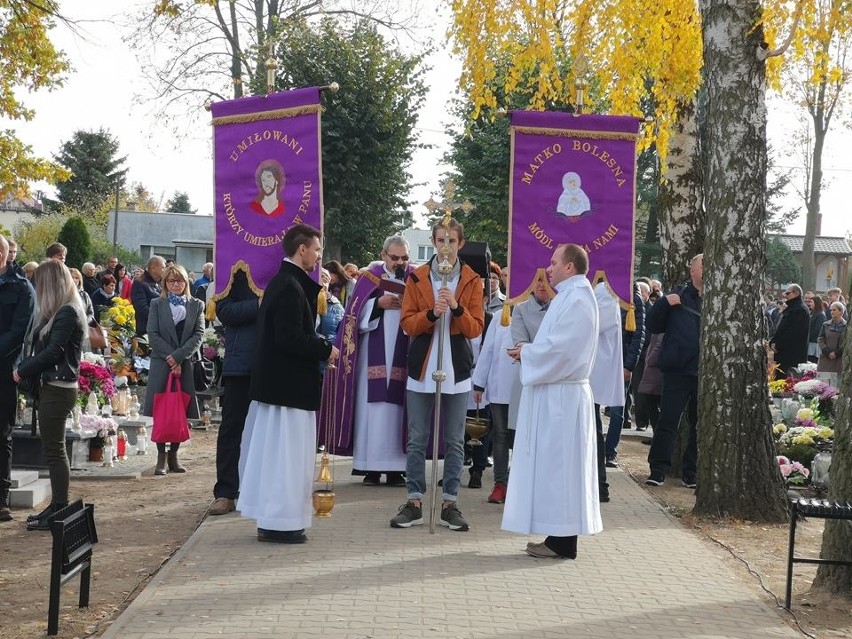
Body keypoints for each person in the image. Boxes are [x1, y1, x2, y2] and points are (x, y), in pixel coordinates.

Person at [239, 223, 339, 544]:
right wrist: (326, 347)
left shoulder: (287, 284)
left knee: (280, 459)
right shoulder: (288, 287)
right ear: (302, 250)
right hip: (287, 391)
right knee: (286, 460)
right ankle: (281, 522)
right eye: (317, 250)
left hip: (283, 388)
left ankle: (274, 519)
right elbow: (290, 338)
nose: (319, 256)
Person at [503, 243, 602, 559]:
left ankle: (563, 540)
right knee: (556, 468)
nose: (549, 267)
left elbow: (562, 351)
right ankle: (558, 536)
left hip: (563, 399)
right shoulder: (572, 296)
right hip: (557, 393)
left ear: (570, 266)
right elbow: (555, 345)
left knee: (561, 468)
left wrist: (527, 353)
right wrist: (530, 353)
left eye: (554, 262)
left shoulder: (577, 300)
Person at [389, 218, 484, 532]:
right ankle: (415, 500)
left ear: (461, 244)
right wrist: (432, 313)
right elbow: (408, 324)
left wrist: (456, 307)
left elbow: (475, 328)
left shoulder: (472, 279)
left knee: (455, 440)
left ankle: (450, 503)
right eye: (440, 240)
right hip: (423, 364)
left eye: (452, 241)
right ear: (433, 241)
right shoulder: (418, 278)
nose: (445, 247)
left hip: (456, 366)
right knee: (417, 438)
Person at [320, 236, 413, 487]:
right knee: (371, 408)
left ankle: (397, 469)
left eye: (404, 257)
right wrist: (377, 304)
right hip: (372, 351)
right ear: (383, 255)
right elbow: (352, 316)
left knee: (398, 410)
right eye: (395, 258)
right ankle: (369, 467)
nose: (400, 262)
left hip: (404, 352)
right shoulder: (369, 277)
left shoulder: (416, 278)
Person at [13, 260, 85, 530]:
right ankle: (57, 505)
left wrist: (22, 371)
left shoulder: (66, 312)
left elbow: (54, 352)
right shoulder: (61, 311)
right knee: (53, 449)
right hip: (54, 386)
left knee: (54, 450)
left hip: (58, 387)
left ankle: (60, 506)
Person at [645, 254, 703, 488]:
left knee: (699, 424)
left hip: (703, 372)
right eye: (703, 266)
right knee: (668, 421)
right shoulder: (677, 295)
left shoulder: (720, 298)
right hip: (678, 369)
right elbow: (653, 325)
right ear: (692, 271)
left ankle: (692, 472)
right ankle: (658, 469)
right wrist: (663, 304)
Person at [143, 264, 205, 475]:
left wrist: (179, 357)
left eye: (179, 281)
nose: (175, 284)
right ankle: (161, 456)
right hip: (161, 363)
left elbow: (199, 334)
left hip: (185, 363)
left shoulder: (197, 305)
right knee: (162, 409)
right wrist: (171, 358)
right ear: (165, 284)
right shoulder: (156, 304)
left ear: (186, 283)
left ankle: (174, 457)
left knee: (181, 408)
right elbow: (152, 334)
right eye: (171, 281)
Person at [208, 269, 260, 516]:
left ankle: (261, 489)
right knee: (232, 428)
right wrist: (259, 303)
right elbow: (224, 311)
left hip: (275, 362)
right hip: (241, 363)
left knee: (268, 429)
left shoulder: (284, 265)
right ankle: (226, 492)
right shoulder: (234, 267)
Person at [0, 236, 35, 523]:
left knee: (2, 434)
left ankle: (1, 499)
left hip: (4, 368)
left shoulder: (21, 287)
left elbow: (19, 331)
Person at [471, 305, 516, 504]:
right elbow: (488, 350)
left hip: (527, 386)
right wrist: (479, 383)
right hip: (500, 386)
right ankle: (500, 483)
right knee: (500, 436)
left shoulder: (547, 311)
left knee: (523, 438)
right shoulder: (501, 315)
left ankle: (520, 483)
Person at [603, 282, 645, 465]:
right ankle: (595, 449)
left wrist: (629, 365)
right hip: (598, 358)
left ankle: (610, 452)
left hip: (621, 360)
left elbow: (638, 335)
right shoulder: (596, 288)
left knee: (617, 409)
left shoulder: (632, 296)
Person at [589, 282, 623, 503]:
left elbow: (594, 324)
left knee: (593, 429)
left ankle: (600, 484)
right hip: (580, 370)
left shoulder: (606, 289)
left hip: (589, 372)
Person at [770, 284, 809, 379]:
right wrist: (773, 341)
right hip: (783, 354)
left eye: (787, 293)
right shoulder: (791, 308)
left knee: (788, 383)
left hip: (792, 355)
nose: (785, 296)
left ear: (796, 293)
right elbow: (781, 328)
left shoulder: (801, 310)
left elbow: (794, 333)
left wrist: (778, 344)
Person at [132, 256, 166, 337]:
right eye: (163, 268)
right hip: (146, 330)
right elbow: (142, 308)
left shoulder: (160, 283)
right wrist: (161, 317)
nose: (165, 270)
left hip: (161, 330)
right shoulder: (140, 283)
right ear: (153, 268)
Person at [817, 302, 846, 376]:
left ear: (841, 311)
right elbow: (820, 339)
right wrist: (827, 351)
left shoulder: (846, 327)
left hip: (839, 360)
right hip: (826, 358)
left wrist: (836, 353)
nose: (831, 312)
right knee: (823, 384)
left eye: (834, 310)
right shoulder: (826, 324)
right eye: (831, 310)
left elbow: (847, 342)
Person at [805, 293, 826, 363]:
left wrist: (808, 336)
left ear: (816, 303)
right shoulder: (813, 313)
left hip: (814, 343)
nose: (810, 304)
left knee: (813, 361)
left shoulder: (821, 315)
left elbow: (817, 330)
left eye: (812, 302)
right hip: (810, 341)